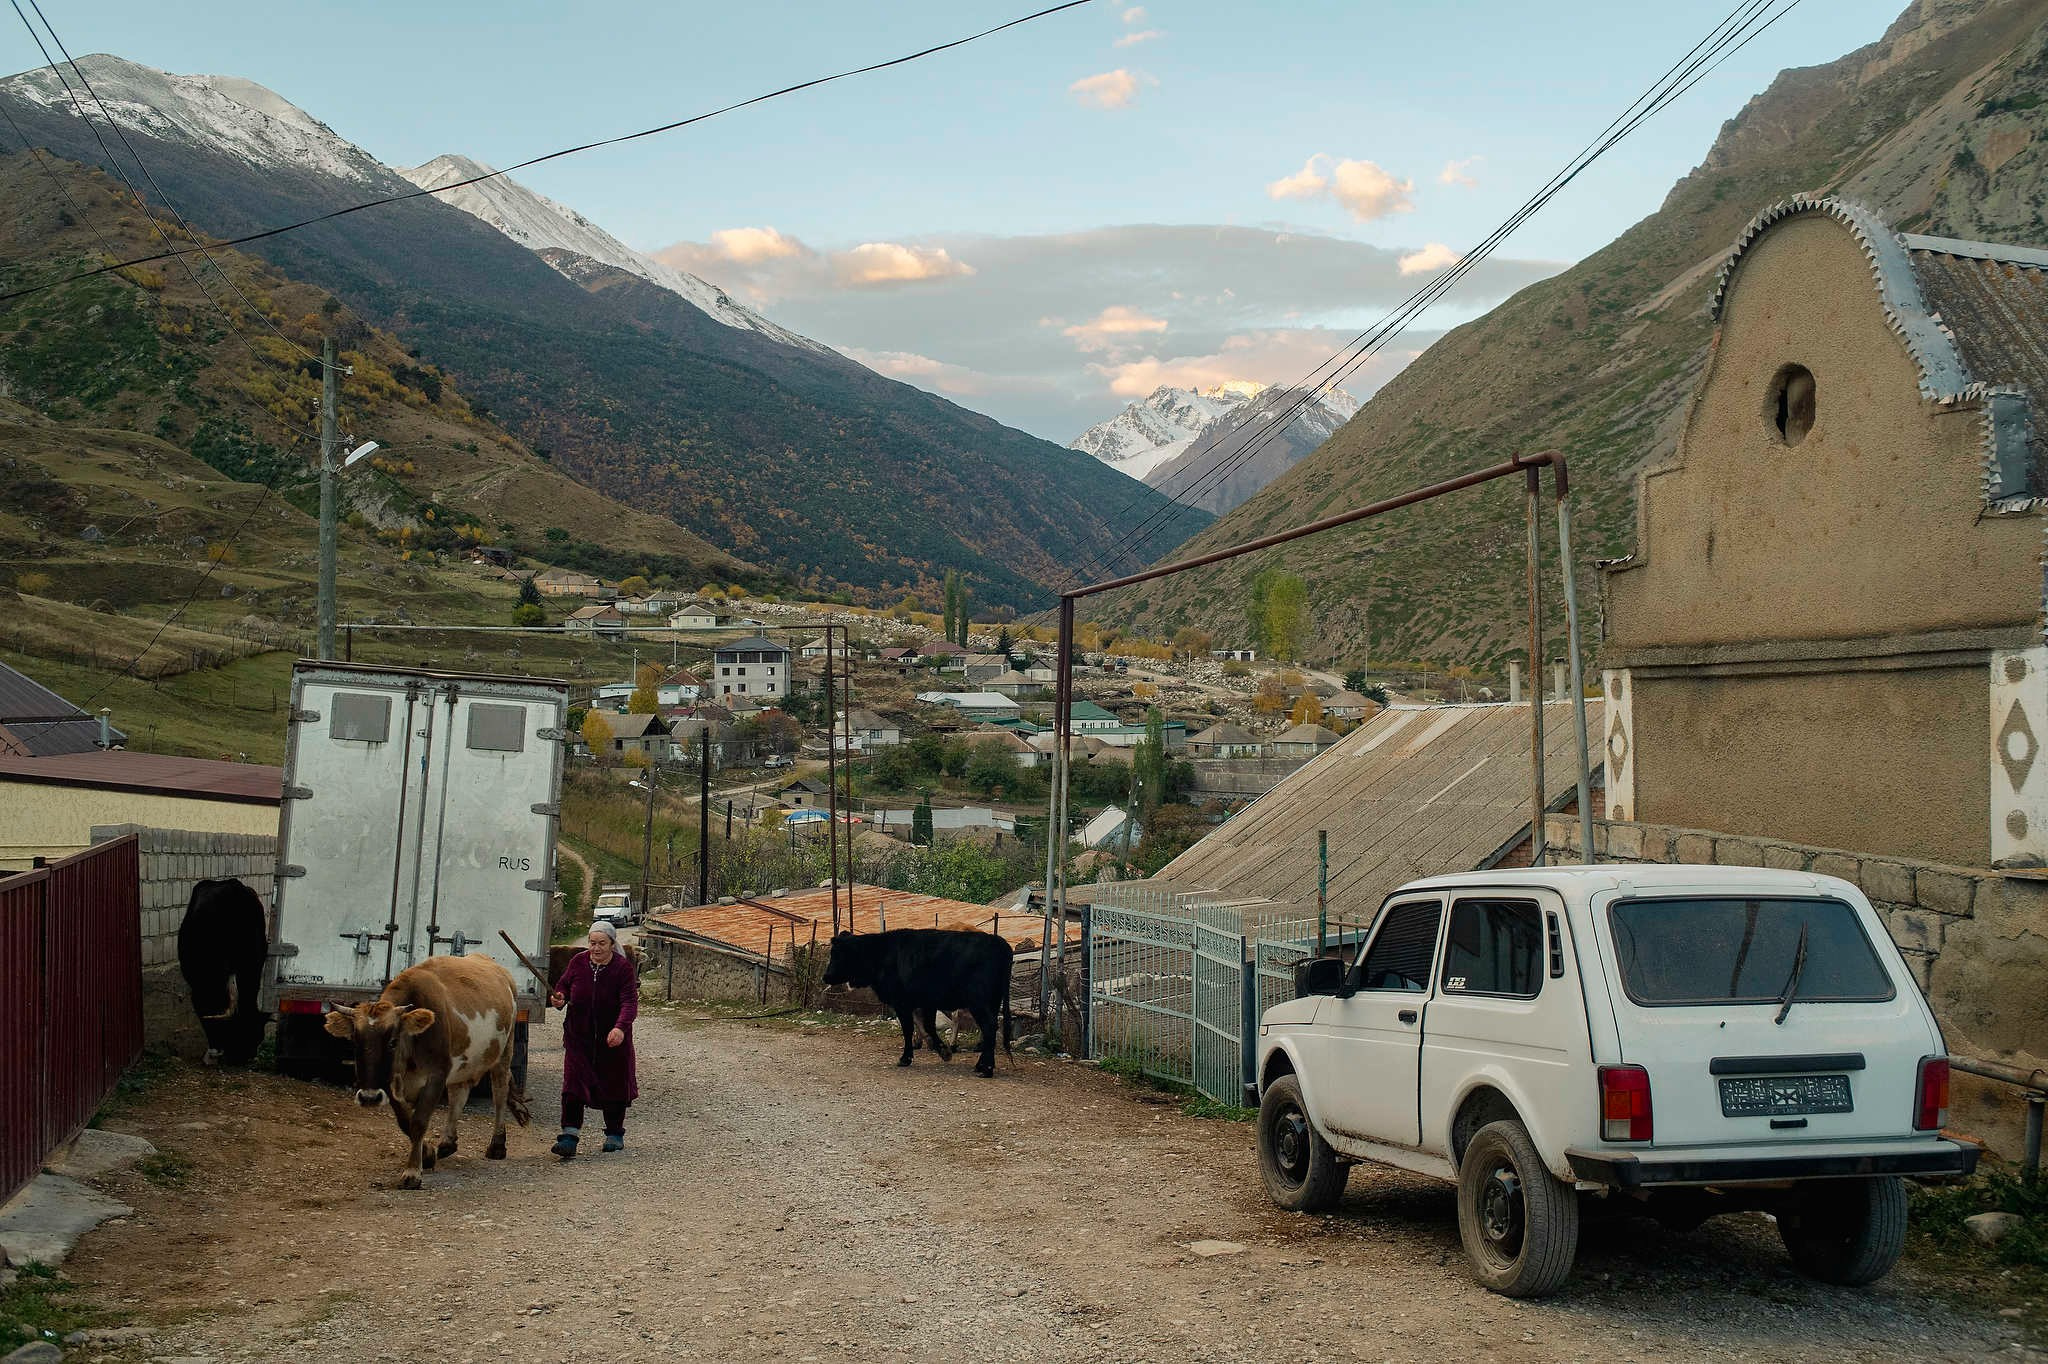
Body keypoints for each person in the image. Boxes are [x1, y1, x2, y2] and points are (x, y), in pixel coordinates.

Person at [547, 921, 638, 1158]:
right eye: (592, 943)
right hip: (579, 1037)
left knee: (614, 1085)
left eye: (601, 943)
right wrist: (559, 999)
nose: (595, 948)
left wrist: (620, 1028)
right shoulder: (578, 962)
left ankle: (614, 1134)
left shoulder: (622, 969)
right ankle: (569, 1136)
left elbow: (629, 1003)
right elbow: (562, 986)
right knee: (573, 1086)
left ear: (611, 944)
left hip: (612, 1040)